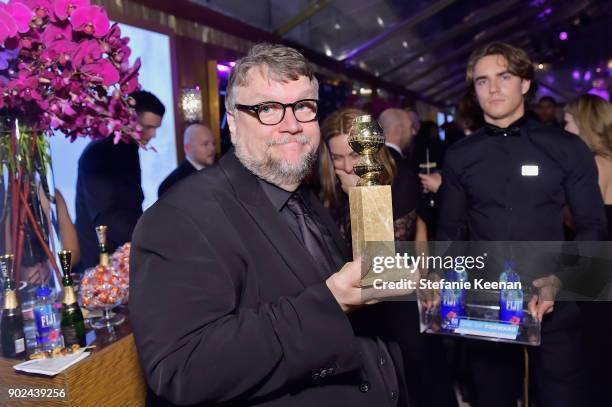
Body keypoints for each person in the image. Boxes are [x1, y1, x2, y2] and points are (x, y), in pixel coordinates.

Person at [130, 43, 413, 407]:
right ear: (232, 122)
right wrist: (330, 302)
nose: (292, 124)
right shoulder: (180, 216)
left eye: (304, 107)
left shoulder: (302, 195)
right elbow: (182, 368)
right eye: (267, 109)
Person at [437, 42, 607, 407]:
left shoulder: (566, 148)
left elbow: (593, 227)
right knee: (492, 397)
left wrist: (561, 280)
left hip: (555, 303)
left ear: (525, 83)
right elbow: (450, 233)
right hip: (487, 306)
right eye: (483, 81)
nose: (494, 88)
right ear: (474, 90)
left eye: (505, 76)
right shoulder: (459, 156)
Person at [317, 107, 457, 407]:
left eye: (353, 156)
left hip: (395, 302)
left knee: (415, 386)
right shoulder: (327, 185)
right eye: (337, 157)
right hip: (350, 309)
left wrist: (360, 196)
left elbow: (378, 255)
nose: (346, 165)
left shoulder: (399, 178)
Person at [75, 90, 165, 272]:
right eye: (148, 127)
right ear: (129, 119)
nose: (153, 134)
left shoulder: (128, 149)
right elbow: (104, 215)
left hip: (122, 252)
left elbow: (131, 206)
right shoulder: (100, 152)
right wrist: (148, 241)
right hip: (100, 261)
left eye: (156, 128)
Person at [563, 93, 612, 404]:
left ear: (583, 124)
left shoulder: (594, 163)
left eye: (567, 121)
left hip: (596, 264)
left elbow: (582, 219)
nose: (564, 128)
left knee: (592, 348)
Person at [158, 123, 216, 197]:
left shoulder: (218, 173)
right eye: (205, 144)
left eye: (213, 143)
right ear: (188, 148)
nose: (212, 148)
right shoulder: (171, 185)